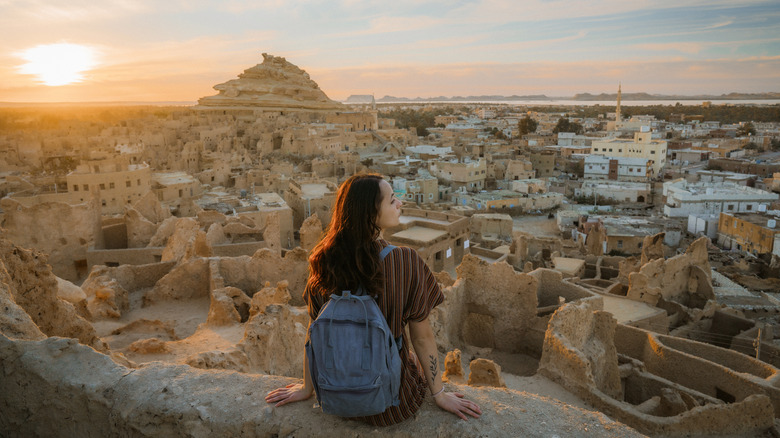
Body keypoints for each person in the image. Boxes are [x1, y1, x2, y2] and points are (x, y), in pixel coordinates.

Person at [265, 174, 481, 425]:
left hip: (336, 398)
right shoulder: (405, 261)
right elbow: (422, 337)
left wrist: (306, 388)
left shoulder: (322, 262)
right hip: (394, 403)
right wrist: (440, 394)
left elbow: (315, 332)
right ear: (371, 213)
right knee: (409, 356)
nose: (399, 204)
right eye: (392, 201)